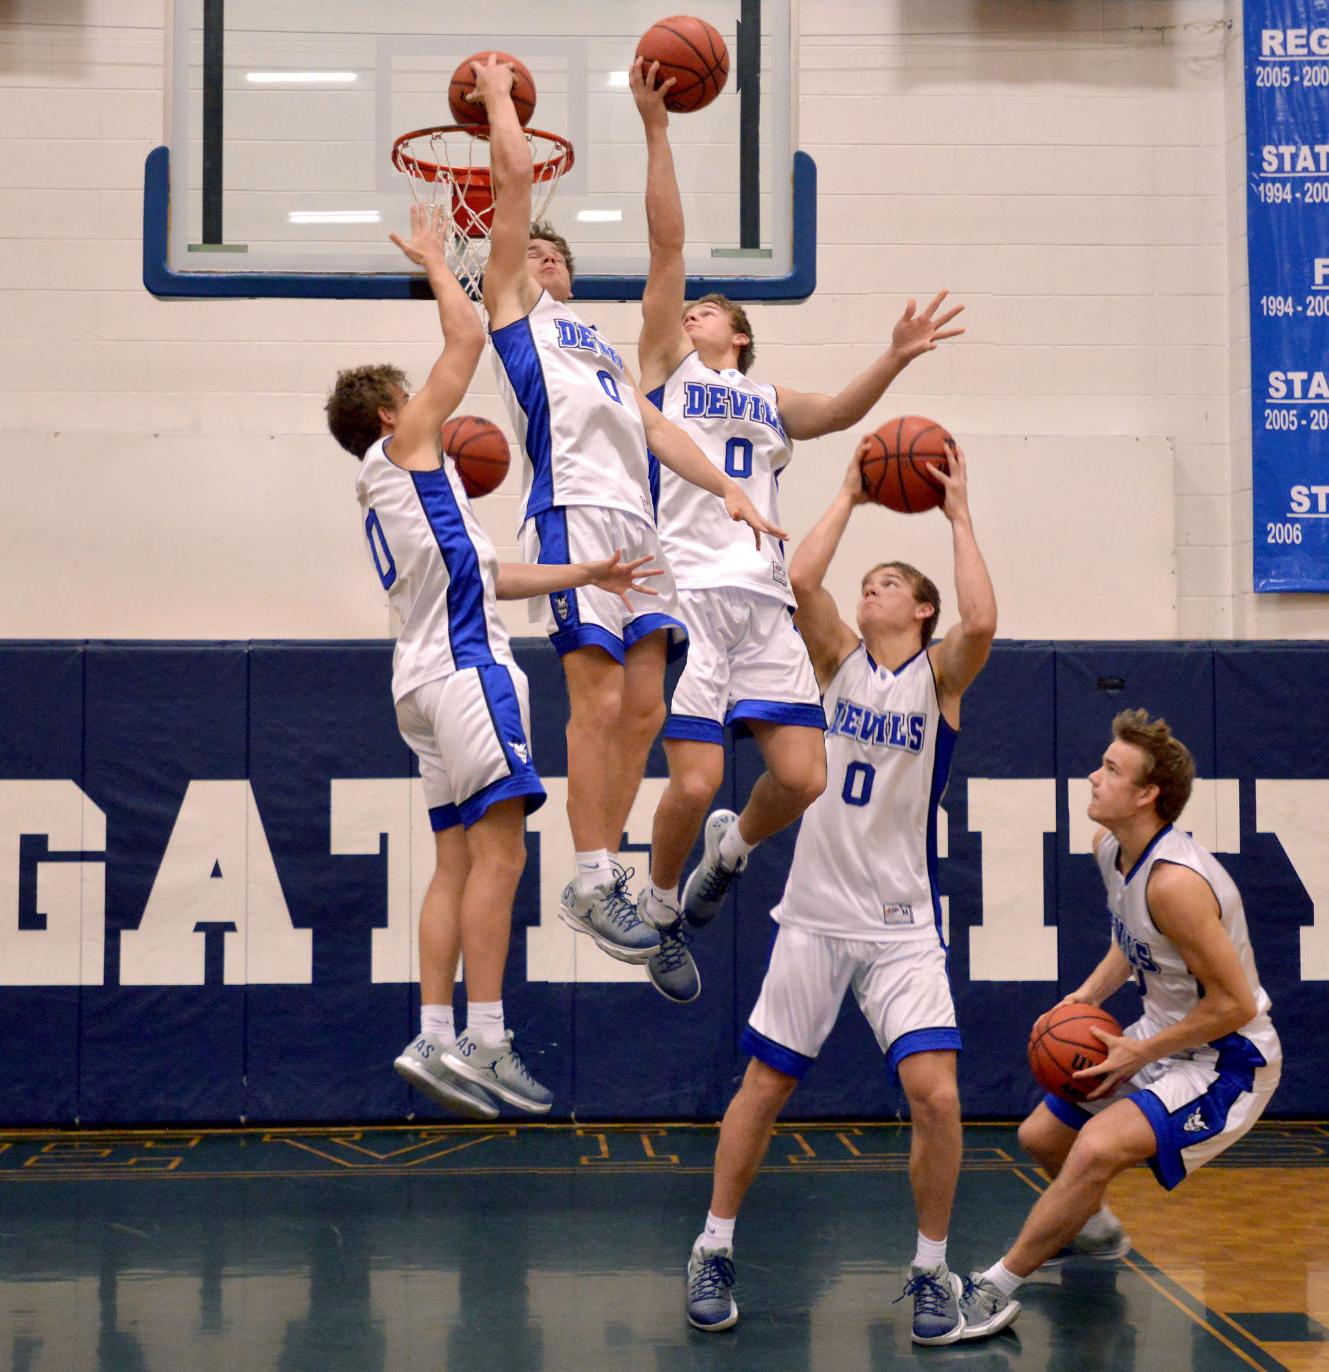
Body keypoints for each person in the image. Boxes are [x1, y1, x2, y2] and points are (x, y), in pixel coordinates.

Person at [630, 60, 967, 1003]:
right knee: (691, 786)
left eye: (706, 309)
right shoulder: (666, 370)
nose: (688, 309)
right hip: (690, 588)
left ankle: (726, 859)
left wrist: (894, 359)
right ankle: (656, 915)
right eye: (687, 306)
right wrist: (659, 133)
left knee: (804, 776)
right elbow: (667, 248)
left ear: (737, 336)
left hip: (765, 603)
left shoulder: (768, 404)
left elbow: (840, 411)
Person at [325, 204, 662, 1118]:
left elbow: (490, 573)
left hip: (420, 682)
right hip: (470, 673)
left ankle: (433, 1035)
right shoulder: (407, 445)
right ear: (395, 414)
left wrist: (586, 570)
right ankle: (490, 1036)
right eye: (420, 397)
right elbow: (468, 332)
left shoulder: (401, 493)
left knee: (452, 865)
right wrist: (440, 260)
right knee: (503, 857)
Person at [465, 56, 785, 973]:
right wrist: (496, 103)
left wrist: (724, 487)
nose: (547, 258)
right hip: (572, 510)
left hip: (641, 534)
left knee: (644, 710)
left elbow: (656, 426)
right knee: (597, 699)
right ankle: (592, 873)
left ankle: (606, 872)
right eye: (533, 251)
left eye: (558, 254)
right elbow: (515, 180)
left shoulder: (601, 347)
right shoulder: (514, 316)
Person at [684, 441, 996, 1346]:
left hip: (901, 925)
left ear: (921, 607)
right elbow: (798, 578)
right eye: (869, 584)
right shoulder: (833, 659)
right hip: (816, 915)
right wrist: (851, 494)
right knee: (765, 1085)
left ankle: (932, 1274)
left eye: (890, 585)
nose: (871, 591)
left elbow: (981, 621)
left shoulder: (940, 676)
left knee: (935, 1096)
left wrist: (959, 515)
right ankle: (712, 1247)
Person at [954, 711, 1282, 1343]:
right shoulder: (1114, 850)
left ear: (1146, 794)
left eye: (1110, 769)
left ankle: (993, 1289)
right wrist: (1078, 998)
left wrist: (1141, 1051)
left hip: (1228, 1062)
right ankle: (1096, 1232)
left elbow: (1236, 1004)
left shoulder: (1176, 885)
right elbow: (1128, 944)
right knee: (1042, 1137)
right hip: (1160, 1040)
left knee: (1097, 1148)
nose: (1092, 777)